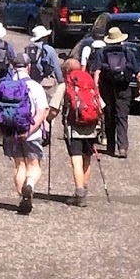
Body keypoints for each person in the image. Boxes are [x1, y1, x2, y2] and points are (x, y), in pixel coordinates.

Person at [0, 53, 49, 213]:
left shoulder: (4, 85)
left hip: (12, 132)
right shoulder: (35, 86)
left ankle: (23, 198)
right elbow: (41, 112)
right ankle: (29, 185)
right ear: (28, 67)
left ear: (12, 66)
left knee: (19, 165)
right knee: (34, 164)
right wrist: (29, 130)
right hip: (31, 133)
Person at [87, 24, 140, 157]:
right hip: (124, 88)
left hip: (107, 88)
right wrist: (139, 88)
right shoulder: (128, 52)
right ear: (121, 39)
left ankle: (110, 146)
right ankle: (122, 147)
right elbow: (138, 74)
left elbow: (97, 71)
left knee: (109, 116)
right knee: (122, 117)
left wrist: (96, 87)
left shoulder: (102, 52)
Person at [57, 56, 102, 205]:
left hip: (74, 127)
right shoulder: (89, 83)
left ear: (67, 70)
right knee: (87, 158)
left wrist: (48, 119)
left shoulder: (66, 85)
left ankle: (79, 190)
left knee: (76, 159)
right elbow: (101, 105)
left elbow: (54, 107)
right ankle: (84, 188)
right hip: (91, 126)